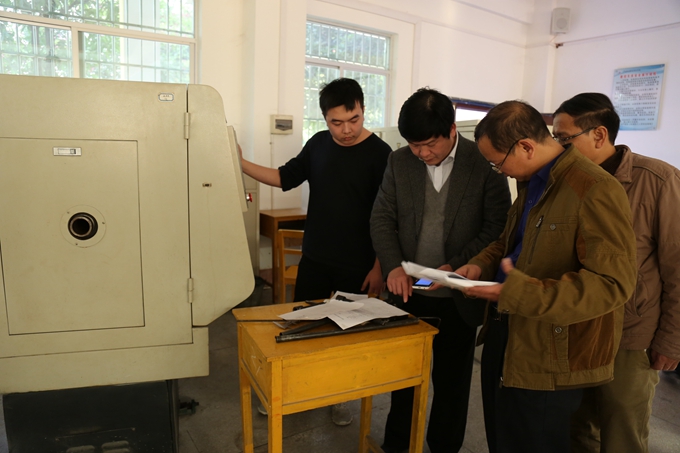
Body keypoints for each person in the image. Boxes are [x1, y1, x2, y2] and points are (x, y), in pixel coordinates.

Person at [456, 100, 637, 453]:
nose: (500, 172)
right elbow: (509, 244)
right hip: (507, 332)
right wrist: (478, 265)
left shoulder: (594, 187)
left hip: (548, 352)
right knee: (502, 440)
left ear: (525, 146)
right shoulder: (533, 183)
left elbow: (612, 284)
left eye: (497, 163)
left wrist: (519, 292)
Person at [240, 77, 391, 426]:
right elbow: (284, 177)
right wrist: (241, 163)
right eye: (336, 122)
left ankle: (339, 396)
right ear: (324, 118)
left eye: (353, 120)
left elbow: (388, 216)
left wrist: (379, 265)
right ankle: (295, 390)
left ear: (363, 110)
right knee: (303, 327)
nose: (346, 130)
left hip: (358, 265)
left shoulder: (381, 154)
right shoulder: (319, 144)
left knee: (345, 334)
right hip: (316, 258)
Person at [370, 88, 511, 453]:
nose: (422, 153)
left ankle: (444, 447)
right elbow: (382, 217)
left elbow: (497, 227)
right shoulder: (399, 162)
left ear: (451, 130)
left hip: (458, 296)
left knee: (452, 384)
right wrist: (393, 267)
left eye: (429, 144)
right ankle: (397, 446)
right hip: (407, 294)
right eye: (414, 145)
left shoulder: (484, 162)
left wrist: (457, 264)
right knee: (402, 381)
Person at [553, 93, 680, 453]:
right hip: (577, 327)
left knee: (622, 429)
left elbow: (677, 267)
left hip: (631, 333)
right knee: (578, 426)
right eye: (555, 138)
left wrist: (672, 340)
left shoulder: (657, 180)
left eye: (565, 138)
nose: (559, 147)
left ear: (599, 134)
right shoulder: (567, 180)